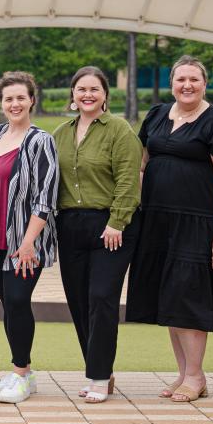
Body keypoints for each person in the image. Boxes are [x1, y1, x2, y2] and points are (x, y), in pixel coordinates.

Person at [126, 56, 213, 403]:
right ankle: (184, 374)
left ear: (204, 83)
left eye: (194, 79)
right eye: (180, 79)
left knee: (189, 298)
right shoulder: (157, 115)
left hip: (198, 224)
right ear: (172, 83)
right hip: (157, 223)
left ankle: (196, 375)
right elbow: (141, 164)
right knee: (170, 299)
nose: (187, 85)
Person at [52, 67, 141, 403]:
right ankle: (97, 367)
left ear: (105, 94)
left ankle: (99, 376)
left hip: (111, 225)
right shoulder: (60, 133)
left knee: (102, 298)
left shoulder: (119, 130)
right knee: (79, 301)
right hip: (70, 225)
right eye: (80, 89)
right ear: (73, 95)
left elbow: (128, 180)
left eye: (94, 89)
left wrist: (117, 221)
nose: (87, 95)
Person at [0, 71, 59, 405]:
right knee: (10, 305)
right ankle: (25, 372)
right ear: (1, 103)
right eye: (9, 99)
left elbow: (45, 198)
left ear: (32, 100)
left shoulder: (41, 141)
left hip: (25, 241)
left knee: (19, 301)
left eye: (21, 97)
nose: (15, 103)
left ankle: (20, 374)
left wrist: (28, 242)